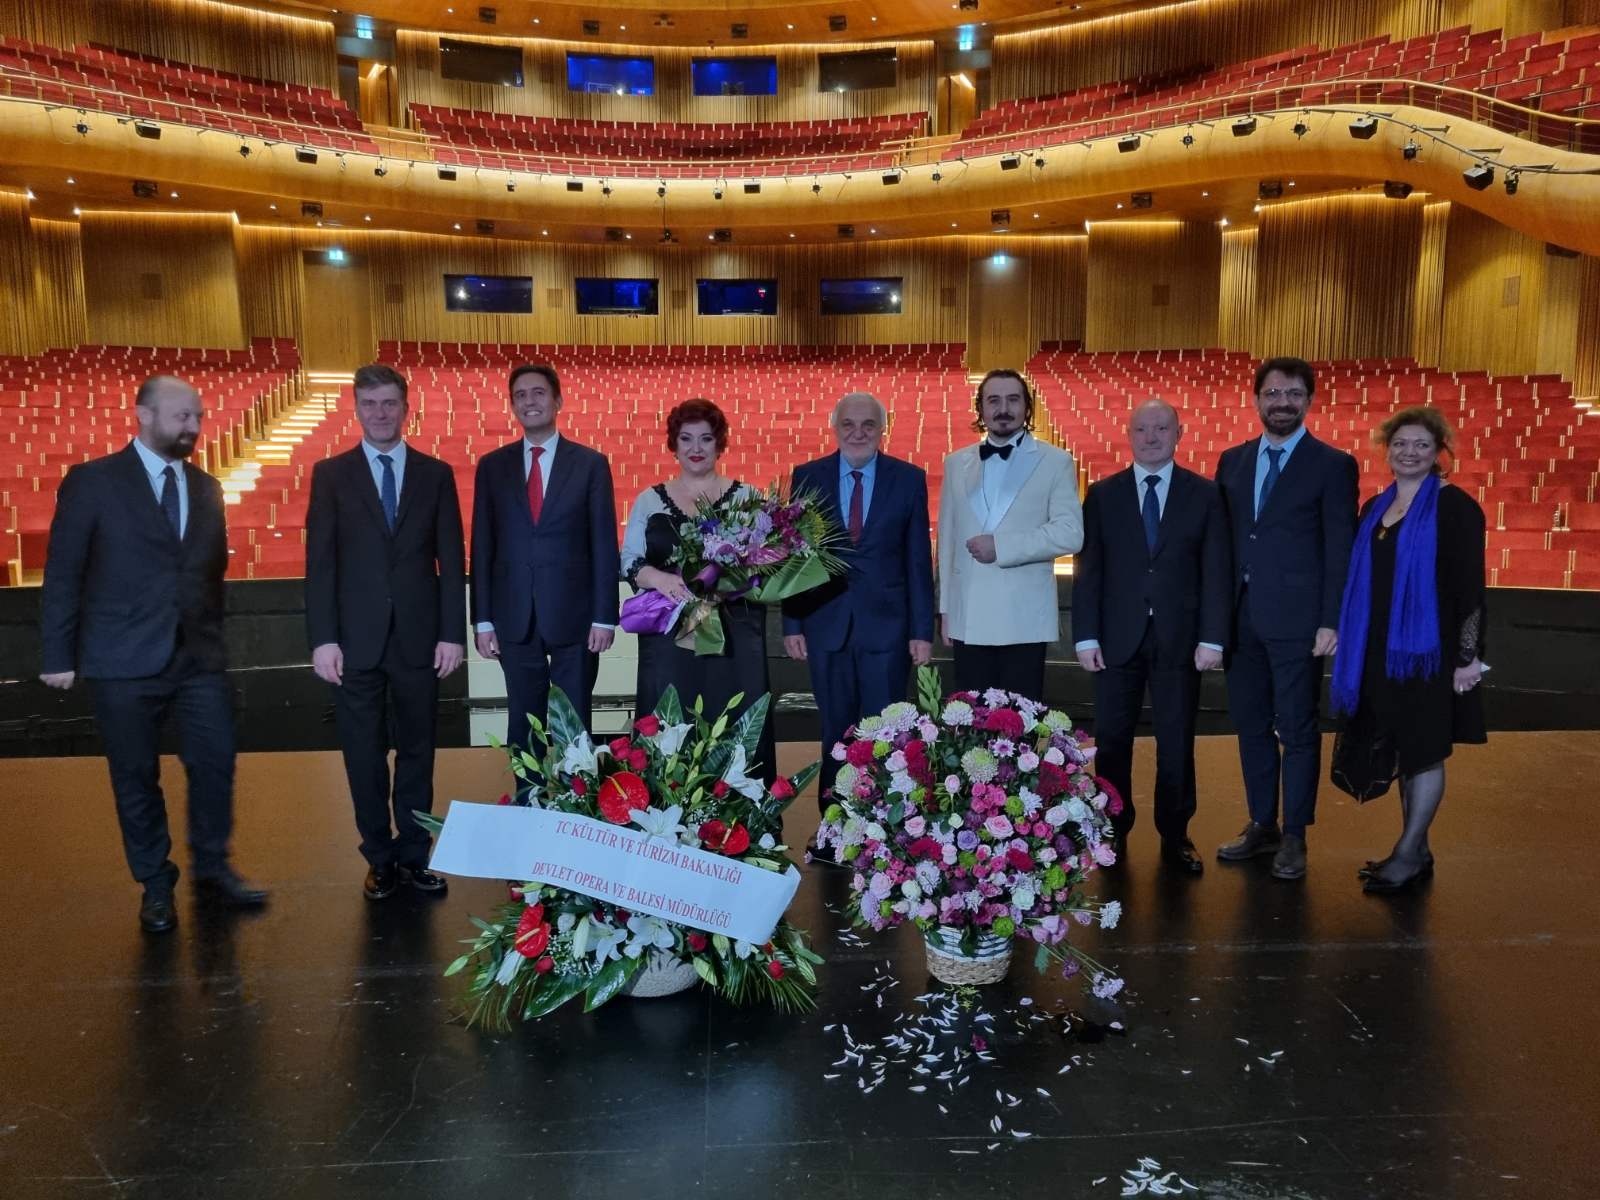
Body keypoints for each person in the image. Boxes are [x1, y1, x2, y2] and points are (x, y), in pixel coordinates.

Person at [38, 375, 268, 933]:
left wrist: (214, 641)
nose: (193, 426)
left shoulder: (208, 487)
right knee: (135, 776)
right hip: (121, 659)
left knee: (215, 765)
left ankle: (213, 869)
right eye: (181, 416)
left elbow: (207, 576)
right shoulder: (92, 482)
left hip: (199, 660)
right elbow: (64, 571)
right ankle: (155, 882)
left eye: (197, 416)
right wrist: (57, 653)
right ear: (143, 414)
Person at [305, 363, 466, 901]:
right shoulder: (330, 475)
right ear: (356, 408)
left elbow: (451, 559)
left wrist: (452, 633)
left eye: (390, 403)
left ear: (406, 406)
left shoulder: (435, 474)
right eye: (370, 404)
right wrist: (323, 638)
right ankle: (378, 856)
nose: (380, 413)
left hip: (421, 640)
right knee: (363, 753)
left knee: (419, 751)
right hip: (355, 642)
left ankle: (414, 855)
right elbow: (320, 565)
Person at [1330, 407, 1487, 893]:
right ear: (1387, 450)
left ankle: (1407, 852)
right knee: (1401, 748)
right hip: (1379, 650)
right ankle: (1415, 849)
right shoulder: (1375, 508)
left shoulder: (1457, 508)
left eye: (1421, 445)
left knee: (1424, 751)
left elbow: (1469, 590)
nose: (1410, 453)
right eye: (1400, 444)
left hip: (1429, 653)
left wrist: (1467, 657)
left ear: (1440, 451)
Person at [1214, 356, 1358, 880]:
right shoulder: (1232, 461)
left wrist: (1331, 619)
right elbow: (1224, 548)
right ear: (1256, 400)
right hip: (1239, 621)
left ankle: (1295, 833)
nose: (1282, 403)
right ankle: (1262, 824)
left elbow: (1339, 547)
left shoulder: (1332, 464)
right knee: (1251, 726)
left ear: (1309, 400)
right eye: (1272, 393)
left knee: (1296, 729)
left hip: (1299, 623)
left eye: (1293, 394)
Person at [1072, 399, 1230, 875]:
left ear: (1179, 433)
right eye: (1143, 428)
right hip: (1117, 639)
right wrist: (1084, 637)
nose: (1152, 436)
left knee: (1177, 742)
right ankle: (1115, 831)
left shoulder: (1205, 495)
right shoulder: (1102, 495)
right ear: (1129, 434)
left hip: (1181, 639)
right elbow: (1089, 571)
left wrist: (1214, 638)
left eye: (1162, 428)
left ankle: (1176, 833)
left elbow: (1216, 572)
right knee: (1113, 741)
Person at [783, 392, 935, 855]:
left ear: (882, 428)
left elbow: (916, 561)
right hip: (826, 625)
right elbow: (795, 554)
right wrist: (792, 623)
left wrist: (921, 631)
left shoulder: (908, 479)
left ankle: (883, 834)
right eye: (848, 424)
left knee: (884, 735)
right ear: (835, 426)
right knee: (835, 733)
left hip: (887, 630)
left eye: (868, 424)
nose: (858, 433)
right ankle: (833, 832)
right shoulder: (807, 476)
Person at [622, 399, 776, 784]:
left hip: (734, 638)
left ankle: (742, 824)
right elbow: (629, 561)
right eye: (686, 438)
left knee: (736, 719)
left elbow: (769, 565)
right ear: (673, 445)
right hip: (669, 636)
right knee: (670, 722)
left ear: (719, 444)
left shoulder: (748, 499)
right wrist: (659, 579)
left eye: (706, 439)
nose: (696, 448)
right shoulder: (649, 500)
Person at [472, 364, 619, 746]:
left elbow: (603, 544)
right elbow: (483, 546)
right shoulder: (492, 467)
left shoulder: (590, 464)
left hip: (577, 617)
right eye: (520, 395)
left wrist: (605, 617)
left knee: (574, 726)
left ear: (558, 401)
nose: (529, 402)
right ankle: (528, 801)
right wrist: (482, 620)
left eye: (538, 393)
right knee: (523, 725)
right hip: (513, 617)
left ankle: (573, 802)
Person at [937, 368, 1083, 701]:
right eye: (994, 400)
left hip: (1024, 618)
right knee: (972, 729)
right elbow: (946, 543)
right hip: (969, 617)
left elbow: (1070, 533)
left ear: (1027, 407)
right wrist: (946, 610)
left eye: (1013, 399)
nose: (1004, 408)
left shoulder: (1055, 461)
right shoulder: (955, 463)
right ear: (981, 409)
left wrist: (1001, 547)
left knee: (1020, 731)